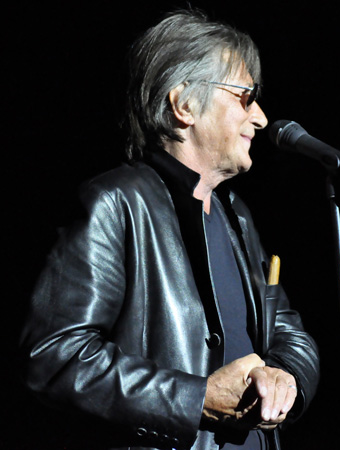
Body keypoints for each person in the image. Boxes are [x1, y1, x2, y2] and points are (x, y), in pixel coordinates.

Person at [19, 8, 320, 450]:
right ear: (183, 105)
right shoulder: (117, 203)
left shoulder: (237, 216)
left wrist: (286, 377)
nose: (260, 118)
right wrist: (195, 399)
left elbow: (289, 333)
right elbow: (54, 357)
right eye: (245, 95)